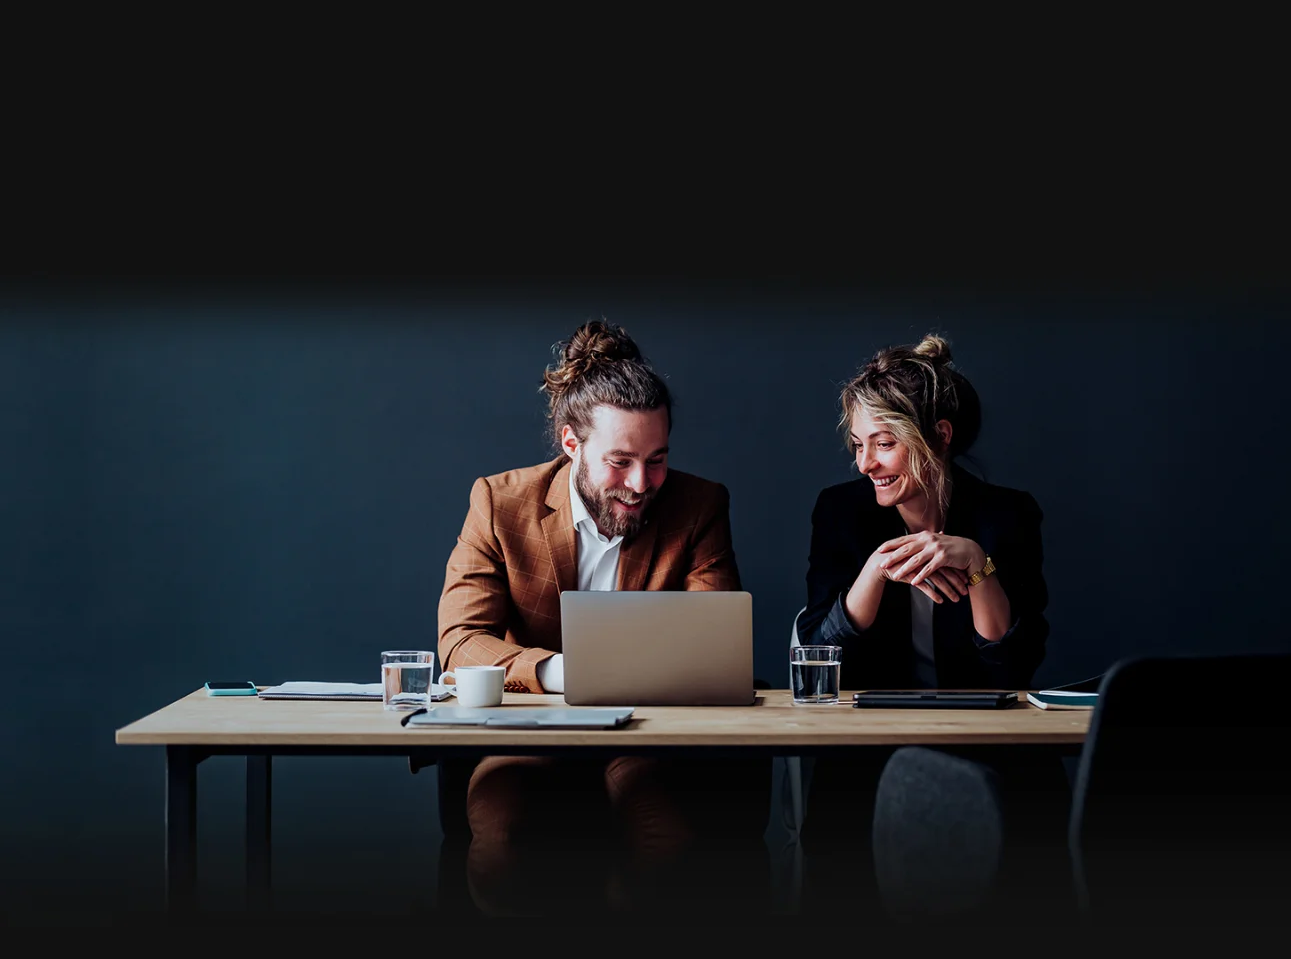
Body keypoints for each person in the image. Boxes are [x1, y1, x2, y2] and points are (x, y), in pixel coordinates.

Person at [437, 320, 766, 919]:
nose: (642, 484)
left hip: (649, 735)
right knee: (501, 840)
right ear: (571, 443)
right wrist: (564, 672)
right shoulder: (499, 502)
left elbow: (714, 639)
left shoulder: (699, 506)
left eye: (657, 460)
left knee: (665, 840)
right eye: (620, 462)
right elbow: (460, 644)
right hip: (528, 734)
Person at [794, 333, 1065, 920]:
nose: (866, 463)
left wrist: (977, 567)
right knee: (843, 829)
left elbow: (1015, 669)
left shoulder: (1007, 516)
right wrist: (875, 571)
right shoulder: (840, 512)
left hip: (983, 738)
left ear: (939, 436)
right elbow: (817, 655)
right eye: (860, 445)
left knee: (1024, 817)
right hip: (870, 741)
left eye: (884, 444)